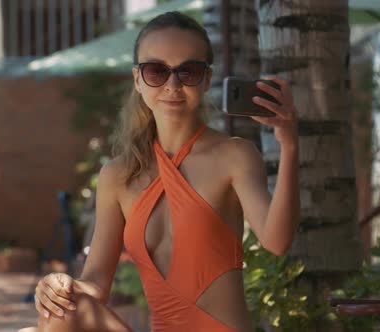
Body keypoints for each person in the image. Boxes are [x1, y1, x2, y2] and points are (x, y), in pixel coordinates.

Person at [20, 10, 299, 332]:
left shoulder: (233, 155)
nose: (172, 85)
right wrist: (58, 285)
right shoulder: (118, 175)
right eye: (156, 71)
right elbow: (96, 283)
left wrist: (289, 146)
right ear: (138, 79)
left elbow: (277, 242)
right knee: (64, 309)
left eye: (188, 71)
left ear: (207, 79)